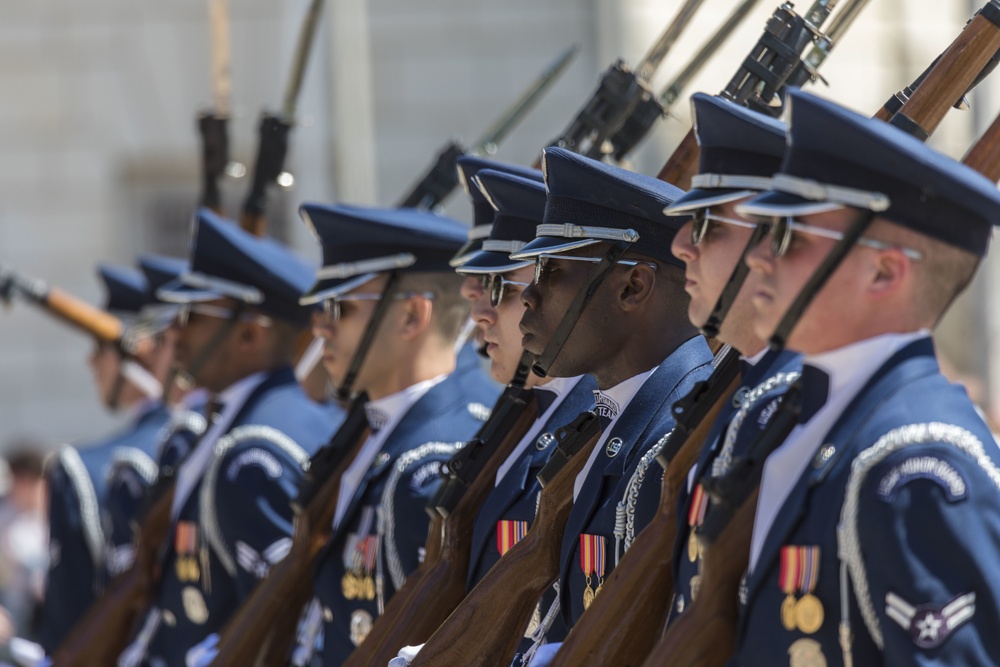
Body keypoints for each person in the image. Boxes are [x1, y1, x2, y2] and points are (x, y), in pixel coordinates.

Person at [729, 90, 1000, 665]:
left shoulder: (917, 464)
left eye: (789, 237)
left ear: (883, 271)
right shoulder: (820, 417)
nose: (757, 257)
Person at [505, 146, 715, 664]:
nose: (528, 296)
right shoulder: (611, 420)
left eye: (552, 271)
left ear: (632, 286)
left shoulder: (675, 439)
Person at [118, 209, 338, 667]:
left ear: (249, 333)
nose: (174, 335)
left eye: (192, 316)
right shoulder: (251, 420)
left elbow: (283, 626)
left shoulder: (254, 453)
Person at [286, 204, 500, 665]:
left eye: (340, 307)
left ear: (411, 317)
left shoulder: (440, 457)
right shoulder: (375, 429)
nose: (320, 326)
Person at [660, 93, 800, 618]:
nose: (680, 246)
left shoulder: (788, 403)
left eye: (708, 226)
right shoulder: (749, 392)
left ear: (775, 243)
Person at [38, 262, 175, 653]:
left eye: (102, 347)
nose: (92, 362)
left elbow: (68, 625)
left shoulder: (83, 469)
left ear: (140, 352)